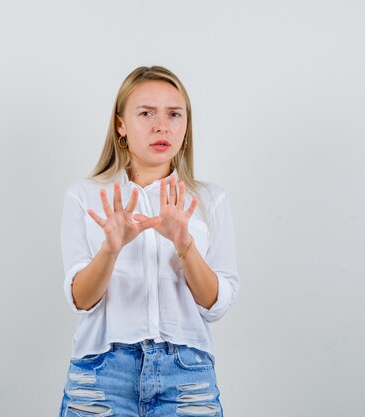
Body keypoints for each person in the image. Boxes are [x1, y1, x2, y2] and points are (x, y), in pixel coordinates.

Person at [58, 66, 240, 417]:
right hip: (101, 374)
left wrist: (185, 245)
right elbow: (81, 299)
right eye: (146, 113)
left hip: (187, 376)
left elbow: (216, 304)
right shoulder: (84, 196)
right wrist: (111, 248)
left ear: (186, 126)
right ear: (120, 125)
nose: (162, 126)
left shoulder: (208, 200)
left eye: (174, 114)